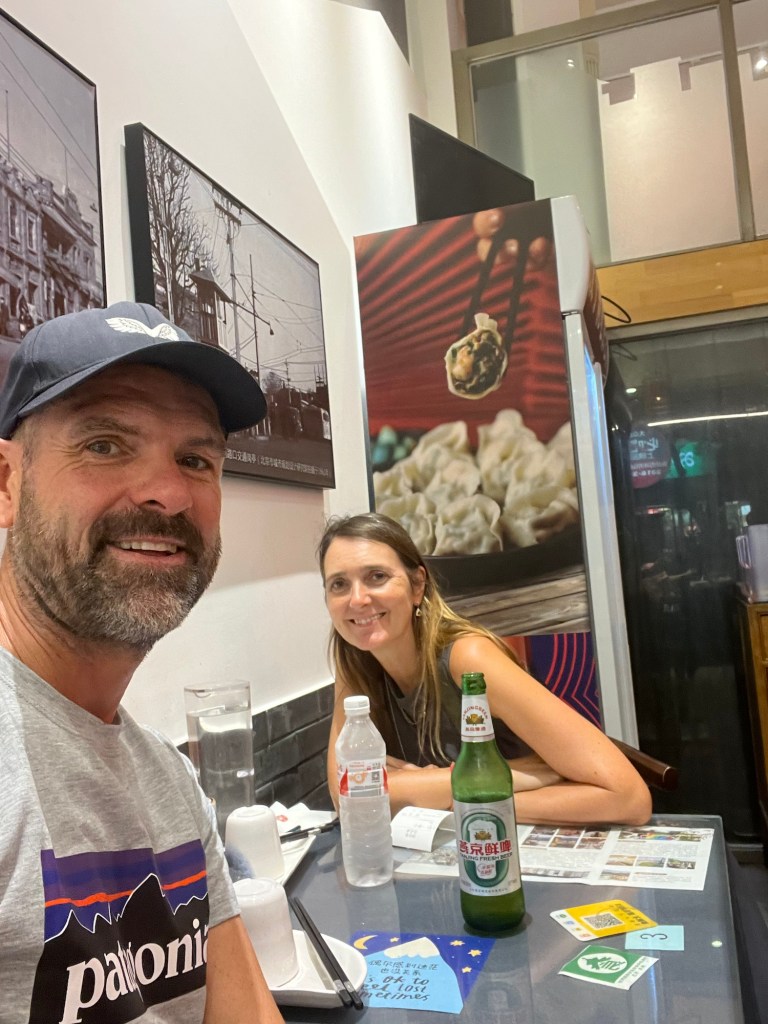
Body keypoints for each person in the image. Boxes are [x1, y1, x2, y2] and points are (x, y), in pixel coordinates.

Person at [0, 301, 282, 1023]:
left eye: (195, 460)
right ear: (6, 483)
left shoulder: (170, 782)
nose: (169, 493)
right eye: (105, 444)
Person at [320, 512, 652, 826]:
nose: (357, 599)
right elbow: (345, 797)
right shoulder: (355, 662)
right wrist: (505, 776)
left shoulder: (469, 658)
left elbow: (628, 798)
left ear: (417, 585)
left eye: (376, 577)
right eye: (339, 584)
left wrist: (443, 795)